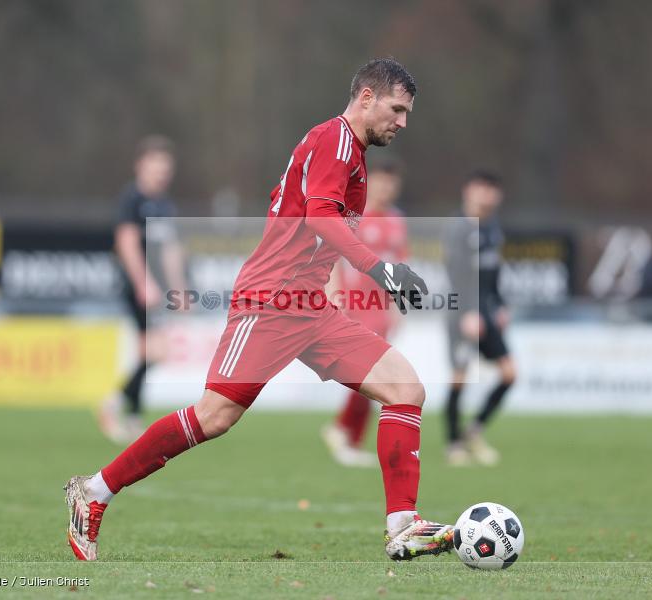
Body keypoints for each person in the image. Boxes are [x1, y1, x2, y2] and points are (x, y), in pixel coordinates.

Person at [65, 58, 456, 562]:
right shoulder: (335, 141)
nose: (403, 122)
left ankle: (403, 525)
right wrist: (381, 271)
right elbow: (319, 218)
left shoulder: (351, 153)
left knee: (406, 387)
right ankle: (94, 491)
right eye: (397, 109)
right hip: (271, 300)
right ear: (366, 98)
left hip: (309, 305)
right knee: (214, 416)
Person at [98, 135, 188, 444]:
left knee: (153, 352)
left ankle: (132, 414)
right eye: (156, 166)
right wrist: (142, 282)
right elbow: (126, 242)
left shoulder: (164, 204)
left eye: (166, 167)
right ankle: (115, 404)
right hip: (137, 285)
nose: (162, 172)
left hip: (156, 287)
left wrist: (178, 288)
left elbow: (170, 250)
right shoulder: (132, 198)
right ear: (141, 166)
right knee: (154, 350)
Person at [321, 157, 408, 467]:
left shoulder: (397, 219)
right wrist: (334, 293)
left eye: (392, 182)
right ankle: (342, 429)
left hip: (381, 308)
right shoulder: (355, 215)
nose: (387, 188)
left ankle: (347, 435)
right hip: (356, 306)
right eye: (382, 181)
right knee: (370, 375)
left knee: (373, 376)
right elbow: (331, 255)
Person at [443, 170, 516, 466]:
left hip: (486, 309)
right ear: (468, 191)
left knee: (509, 374)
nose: (487, 195)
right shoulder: (458, 228)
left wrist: (499, 305)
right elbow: (456, 274)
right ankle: (453, 443)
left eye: (492, 189)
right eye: (481, 188)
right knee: (460, 377)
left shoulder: (493, 228)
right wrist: (468, 311)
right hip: (463, 310)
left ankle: (474, 431)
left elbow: (494, 272)